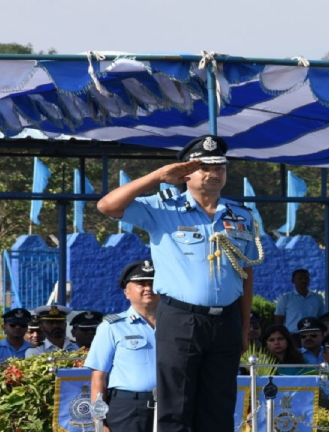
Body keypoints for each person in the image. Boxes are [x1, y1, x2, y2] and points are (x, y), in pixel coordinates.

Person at [97, 134, 263, 432]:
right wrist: (158, 177)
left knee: (219, 406)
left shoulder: (240, 215)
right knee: (176, 405)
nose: (213, 174)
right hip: (181, 318)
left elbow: (246, 274)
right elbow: (107, 206)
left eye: (219, 167)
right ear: (186, 173)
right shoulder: (163, 208)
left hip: (225, 319)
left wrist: (243, 325)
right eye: (204, 168)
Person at [85, 260, 159, 432]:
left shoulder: (175, 326)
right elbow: (98, 378)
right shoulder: (112, 327)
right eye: (141, 284)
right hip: (128, 408)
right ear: (127, 292)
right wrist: (98, 421)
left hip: (170, 406)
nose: (148, 288)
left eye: (152, 283)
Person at [274, 269, 326, 336]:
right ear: (293, 280)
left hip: (313, 335)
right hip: (293, 335)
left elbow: (321, 318)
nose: (303, 281)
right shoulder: (285, 298)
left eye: (306, 278)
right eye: (300, 278)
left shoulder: (317, 298)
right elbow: (278, 320)